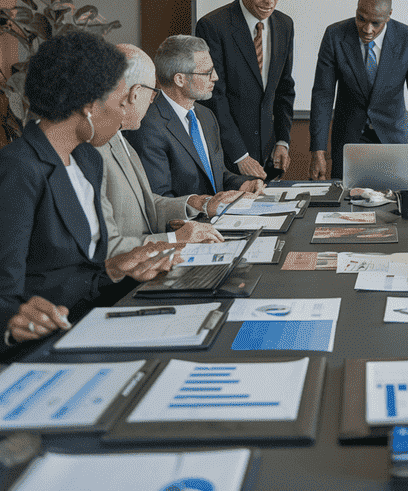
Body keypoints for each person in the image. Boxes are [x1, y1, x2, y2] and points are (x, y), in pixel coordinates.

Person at [0, 31, 181, 347]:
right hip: (44, 346)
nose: (126, 111)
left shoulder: (87, 161)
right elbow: (6, 295)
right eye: (121, 100)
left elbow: (83, 272)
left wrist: (115, 269)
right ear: (88, 105)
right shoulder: (20, 169)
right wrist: (12, 322)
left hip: (98, 321)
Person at [100, 44, 251, 257]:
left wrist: (202, 203)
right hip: (142, 264)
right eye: (152, 91)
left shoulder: (206, 116)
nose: (154, 98)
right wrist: (174, 239)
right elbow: (107, 246)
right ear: (135, 94)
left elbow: (148, 204)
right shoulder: (101, 143)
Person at [309, 0, 408, 180]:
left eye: (376, 23)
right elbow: (323, 95)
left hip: (393, 141)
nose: (367, 29)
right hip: (349, 141)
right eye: (361, 19)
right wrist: (318, 151)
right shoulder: (335, 35)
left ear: (389, 16)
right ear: (356, 10)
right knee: (346, 207)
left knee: (396, 205)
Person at [124, 35, 264, 198]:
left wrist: (243, 184)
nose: (215, 77)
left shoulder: (206, 115)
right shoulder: (148, 125)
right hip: (188, 221)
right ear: (180, 79)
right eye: (207, 72)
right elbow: (160, 199)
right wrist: (206, 209)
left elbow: (216, 175)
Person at [196, 0, 295, 179]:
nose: (270, 1)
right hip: (230, 157)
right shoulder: (213, 26)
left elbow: (284, 89)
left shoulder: (284, 25)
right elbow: (214, 97)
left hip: (270, 155)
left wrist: (283, 141)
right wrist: (240, 156)